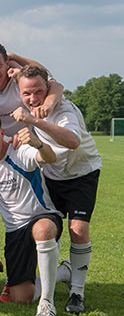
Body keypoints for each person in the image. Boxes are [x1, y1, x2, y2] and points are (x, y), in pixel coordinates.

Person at [0, 40, 64, 297]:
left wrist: (16, 58)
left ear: (6, 63)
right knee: (20, 298)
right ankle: (0, 263)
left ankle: (48, 292)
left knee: (38, 219)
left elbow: (51, 81)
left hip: (21, 148)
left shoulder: (19, 79)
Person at [12, 65, 102, 314]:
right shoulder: (32, 99)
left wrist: (34, 120)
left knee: (79, 230)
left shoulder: (64, 110)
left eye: (38, 92)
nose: (32, 98)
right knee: (47, 230)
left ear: (48, 87)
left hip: (81, 174)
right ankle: (60, 273)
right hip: (50, 175)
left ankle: (77, 292)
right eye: (26, 94)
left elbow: (72, 142)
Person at [0, 110, 71, 316]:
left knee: (43, 230)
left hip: (42, 216)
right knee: (21, 297)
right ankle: (64, 271)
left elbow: (49, 158)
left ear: (2, 132)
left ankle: (47, 303)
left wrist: (39, 144)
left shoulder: (19, 150)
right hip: (15, 231)